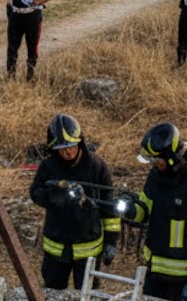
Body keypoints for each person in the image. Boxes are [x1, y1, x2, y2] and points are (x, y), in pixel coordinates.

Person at [128, 123, 187, 301]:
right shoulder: (156, 176)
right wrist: (128, 210)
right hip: (154, 273)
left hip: (182, 280)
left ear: (171, 158)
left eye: (157, 159)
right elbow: (145, 208)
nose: (154, 164)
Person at [28, 114, 124, 290]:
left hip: (88, 248)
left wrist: (111, 242)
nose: (68, 152)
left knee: (87, 299)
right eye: (62, 149)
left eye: (72, 146)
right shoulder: (48, 166)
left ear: (80, 142)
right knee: (52, 297)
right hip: (56, 248)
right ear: (54, 149)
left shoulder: (97, 167)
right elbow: (35, 193)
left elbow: (109, 207)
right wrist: (53, 196)